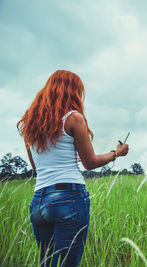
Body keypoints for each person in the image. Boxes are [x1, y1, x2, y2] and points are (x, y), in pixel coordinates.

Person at [17, 70, 129, 267]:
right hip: (69, 197)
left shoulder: (29, 124)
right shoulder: (74, 118)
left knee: (47, 263)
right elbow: (90, 163)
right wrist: (116, 153)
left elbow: (37, 167)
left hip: (38, 202)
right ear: (72, 92)